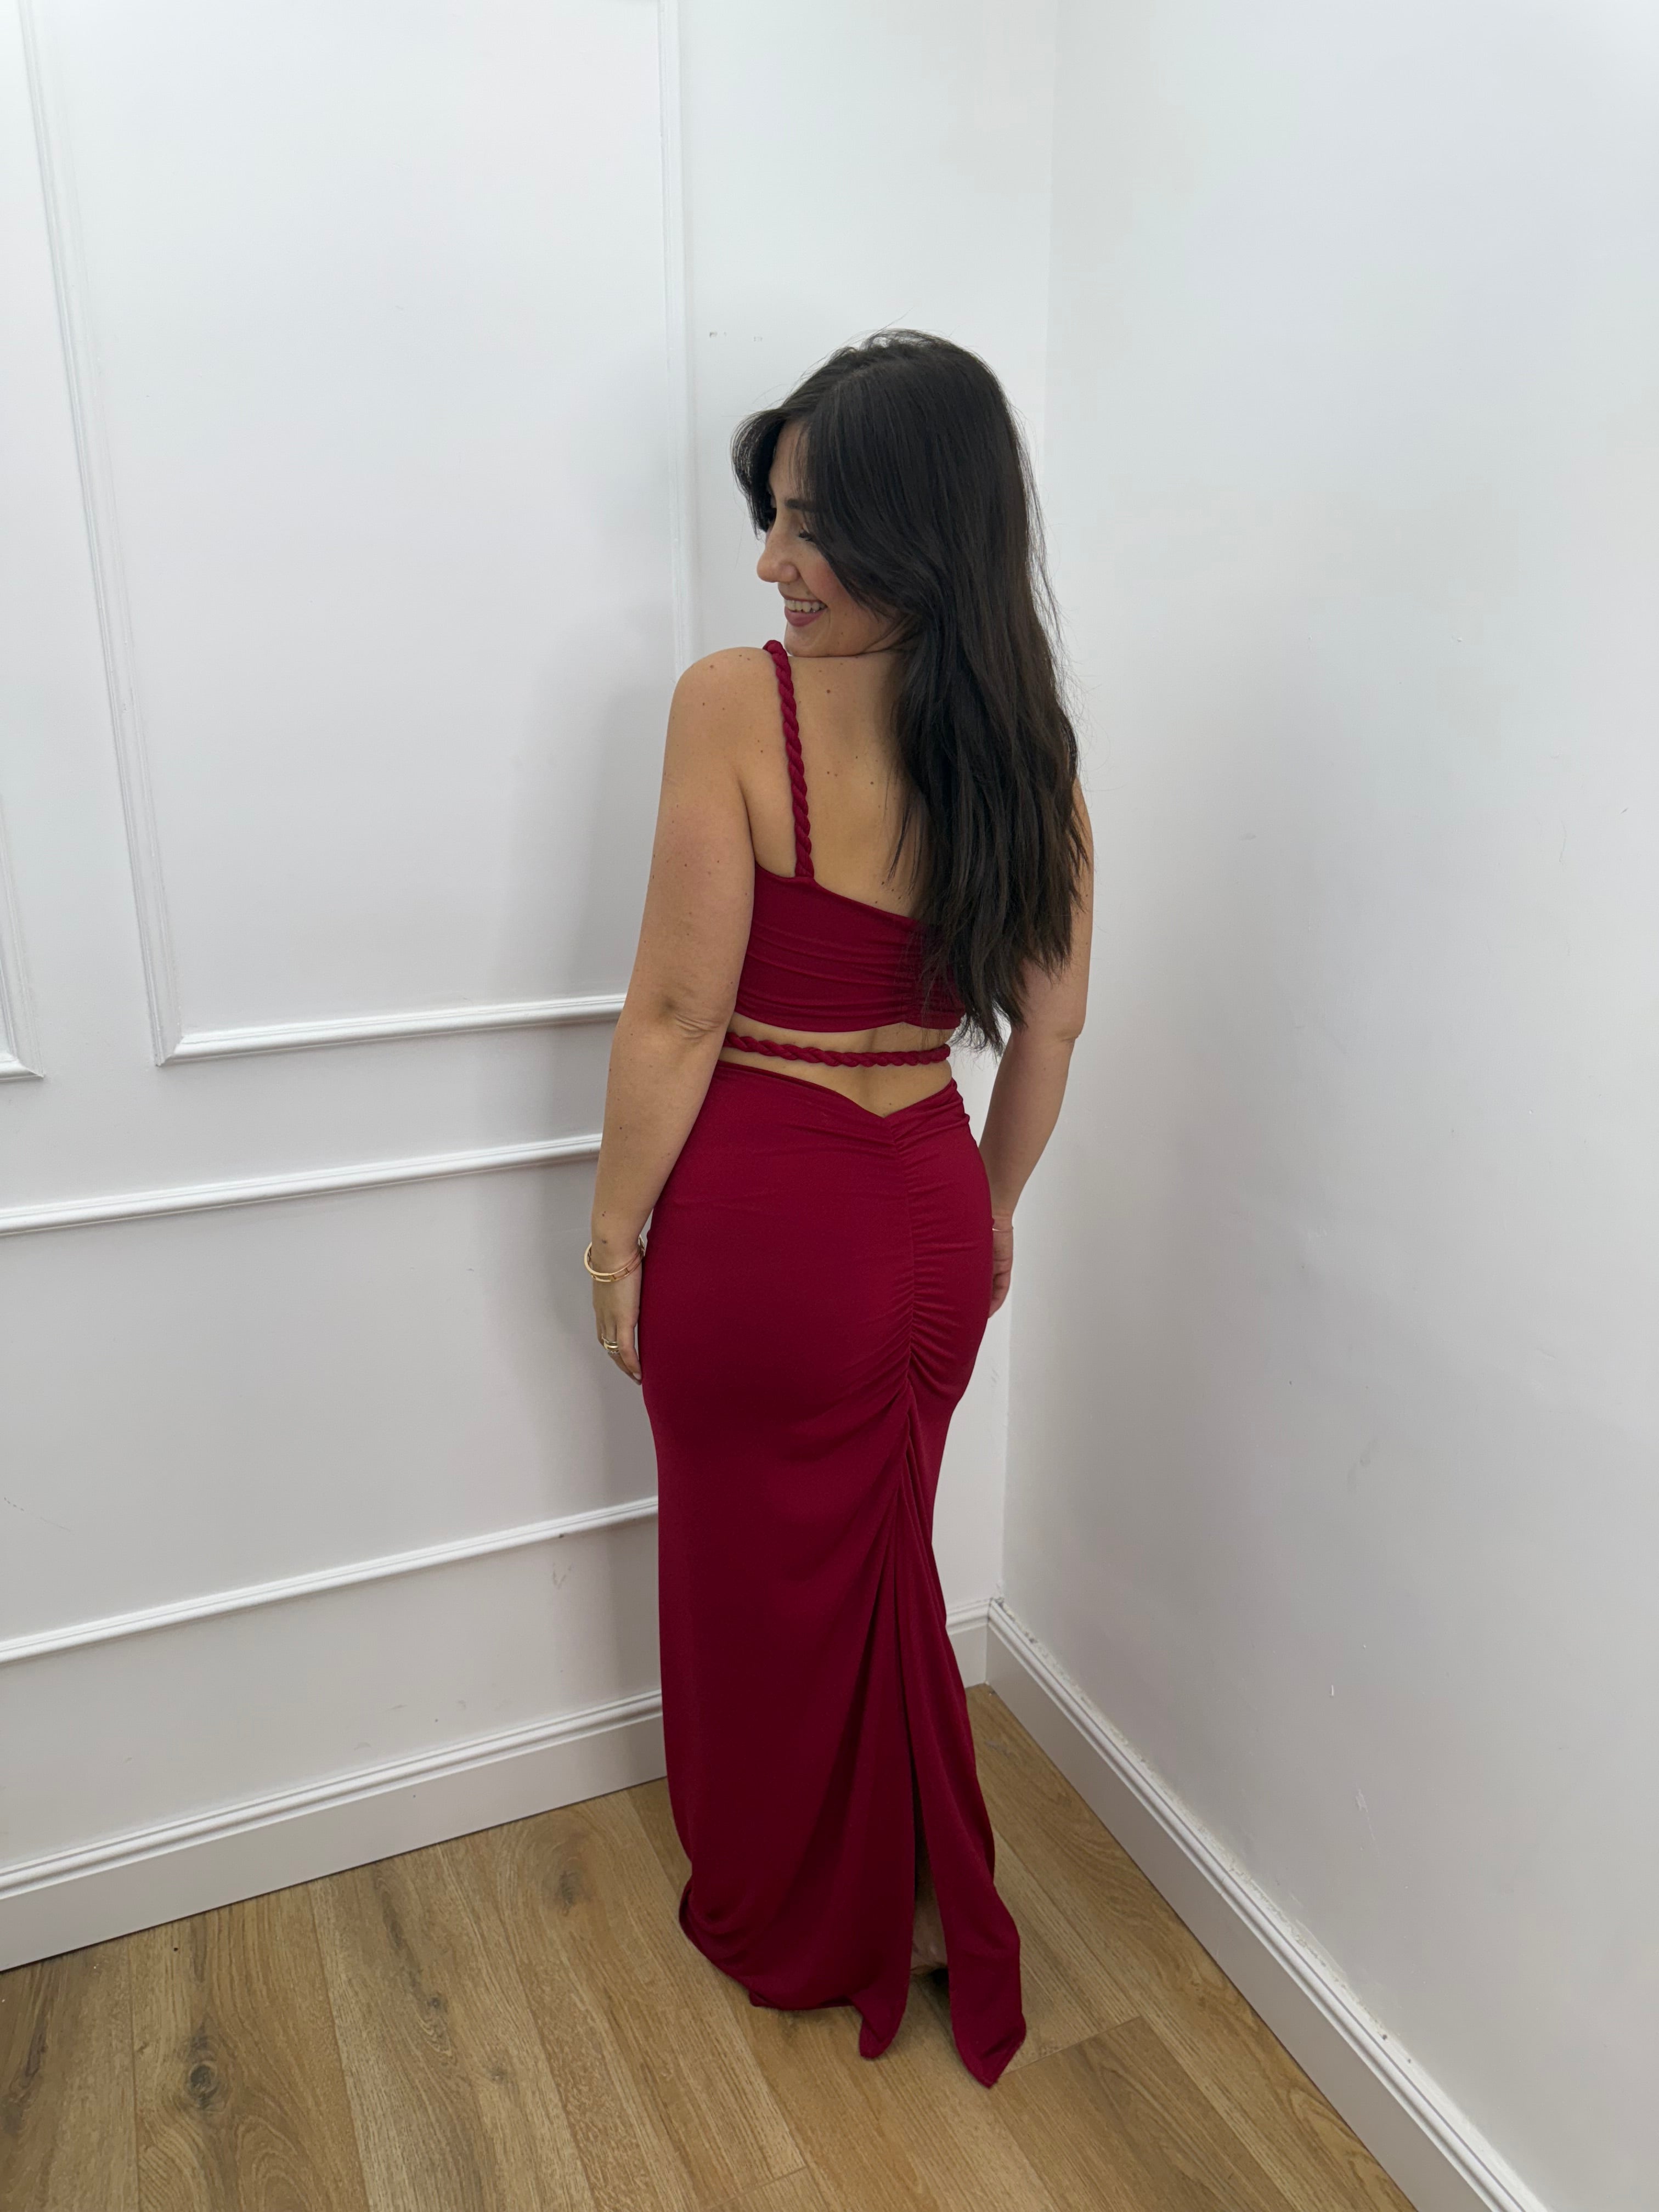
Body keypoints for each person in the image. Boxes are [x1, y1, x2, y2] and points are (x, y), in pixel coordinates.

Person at [586, 329, 1092, 2088]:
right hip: (930, 1214)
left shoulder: (732, 707)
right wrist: (993, 1212)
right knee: (886, 1573)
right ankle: (918, 1890)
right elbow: (1052, 1030)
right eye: (773, 519)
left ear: (917, 533)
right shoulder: (1033, 755)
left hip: (767, 1228)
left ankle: (803, 1909)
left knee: (759, 1590)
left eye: (808, 526)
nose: (770, 566)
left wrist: (612, 1238)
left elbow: (677, 1013)